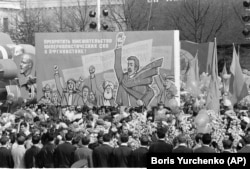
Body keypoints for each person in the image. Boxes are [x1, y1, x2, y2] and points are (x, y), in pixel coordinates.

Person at [114, 32, 163, 107]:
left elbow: (151, 92)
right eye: (128, 64)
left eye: (131, 65)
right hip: (124, 107)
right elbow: (117, 67)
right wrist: (119, 46)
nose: (129, 66)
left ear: (136, 67)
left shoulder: (141, 78)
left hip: (136, 108)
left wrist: (143, 101)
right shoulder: (123, 77)